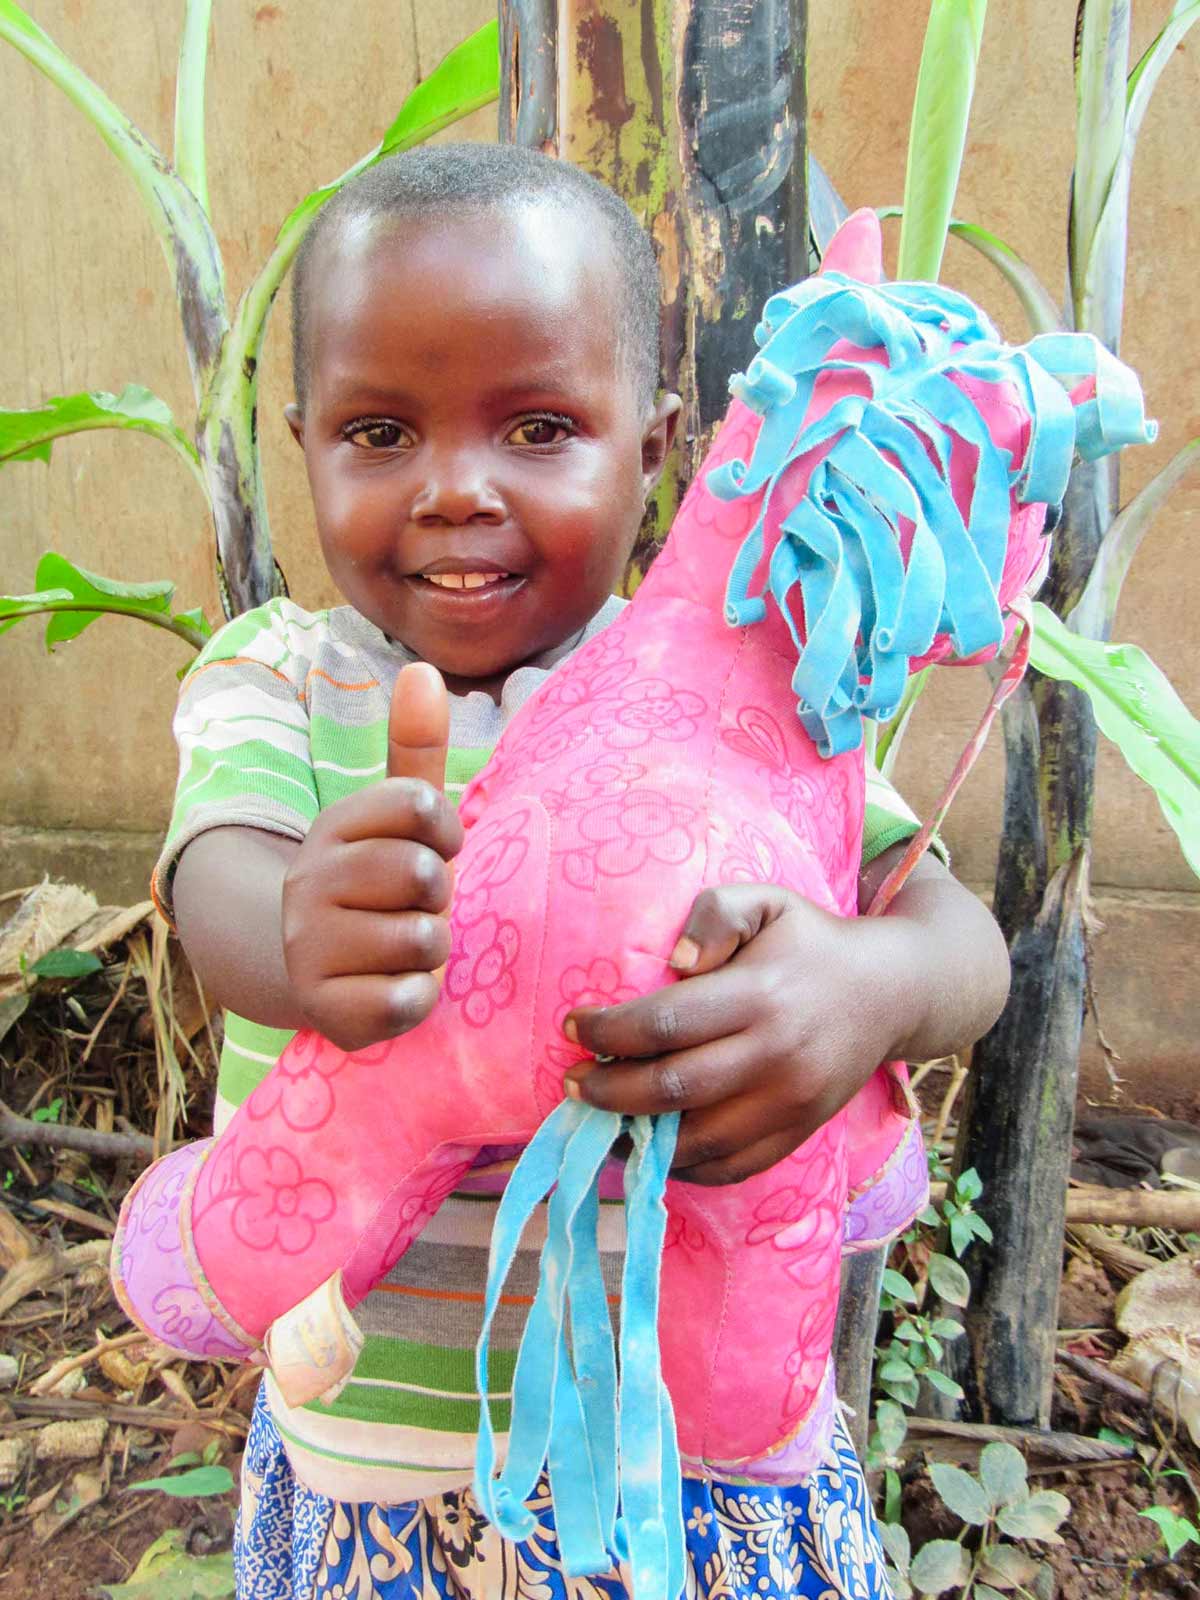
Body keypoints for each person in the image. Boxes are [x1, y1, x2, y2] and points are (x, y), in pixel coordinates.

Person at [153, 144, 1010, 1599]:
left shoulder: (731, 702)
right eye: (379, 434)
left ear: (657, 442)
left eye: (540, 428)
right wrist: (303, 929)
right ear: (299, 441)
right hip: (382, 1467)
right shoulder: (284, 680)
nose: (455, 493)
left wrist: (863, 983)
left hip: (692, 1475)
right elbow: (210, 884)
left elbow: (959, 938)